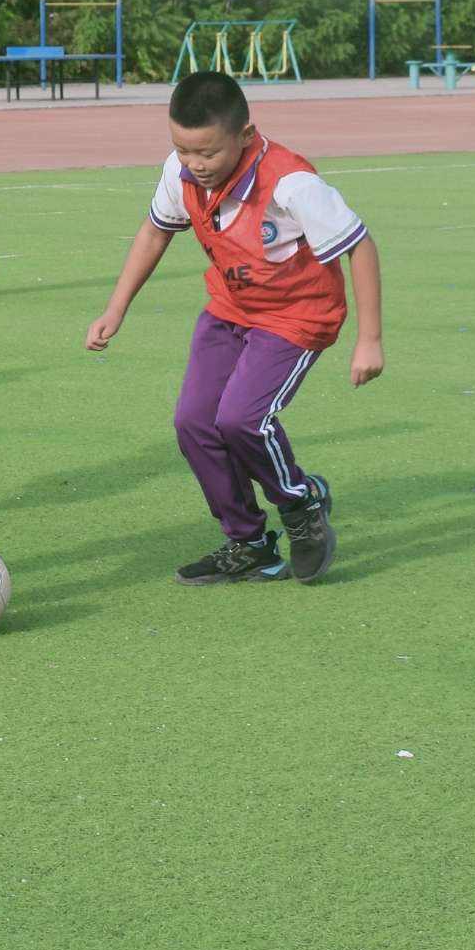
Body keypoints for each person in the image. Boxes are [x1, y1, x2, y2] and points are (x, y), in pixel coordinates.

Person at [84, 70, 383, 586]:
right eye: (183, 150)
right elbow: (155, 233)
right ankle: (247, 543)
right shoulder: (178, 174)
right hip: (229, 310)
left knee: (243, 420)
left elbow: (360, 245)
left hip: (297, 316)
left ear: (245, 136)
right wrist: (116, 308)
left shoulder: (292, 184)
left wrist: (370, 340)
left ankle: (301, 505)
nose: (196, 165)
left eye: (208, 153)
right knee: (195, 423)